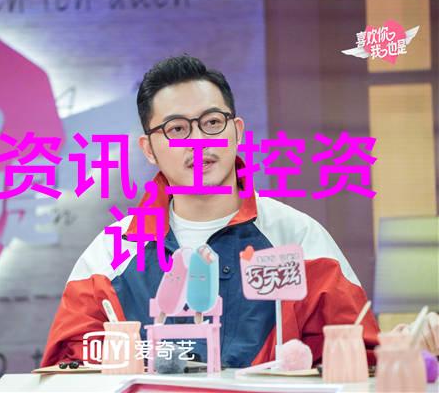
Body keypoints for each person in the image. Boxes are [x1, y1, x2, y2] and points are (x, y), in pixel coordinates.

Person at [41, 55, 438, 368]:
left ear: (237, 131)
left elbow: (358, 356)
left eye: (212, 122)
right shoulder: (111, 252)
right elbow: (68, 368)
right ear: (149, 149)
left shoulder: (297, 237)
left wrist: (405, 346)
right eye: (177, 129)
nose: (199, 141)